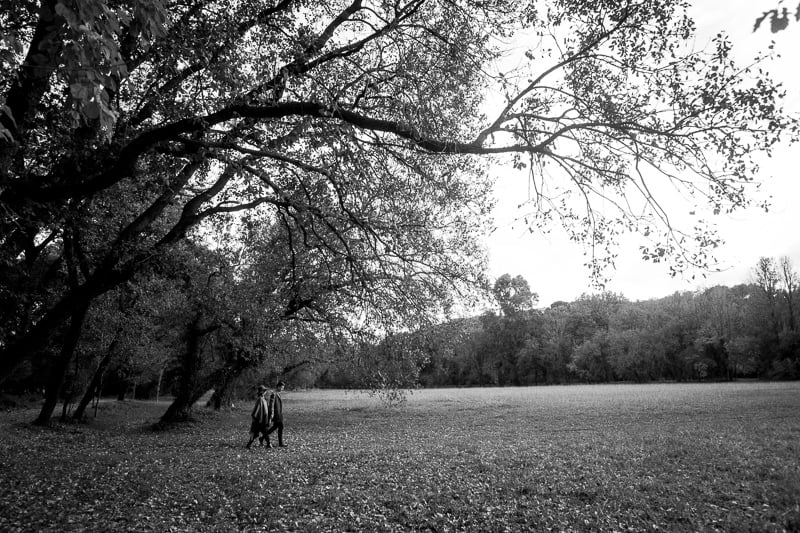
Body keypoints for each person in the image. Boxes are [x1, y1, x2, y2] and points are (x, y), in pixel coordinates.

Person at [246, 384, 269, 449]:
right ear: (262, 392)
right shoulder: (260, 400)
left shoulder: (263, 399)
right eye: (264, 391)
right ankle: (268, 444)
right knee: (260, 433)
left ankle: (268, 444)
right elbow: (257, 410)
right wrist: (257, 418)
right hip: (259, 420)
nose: (265, 392)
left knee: (263, 433)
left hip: (262, 420)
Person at [265, 381, 286, 448]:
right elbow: (271, 405)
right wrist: (272, 415)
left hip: (279, 414)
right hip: (276, 415)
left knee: (275, 427)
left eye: (283, 387)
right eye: (282, 387)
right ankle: (280, 443)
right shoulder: (274, 394)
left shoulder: (278, 393)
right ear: (278, 387)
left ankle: (263, 437)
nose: (282, 389)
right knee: (281, 427)